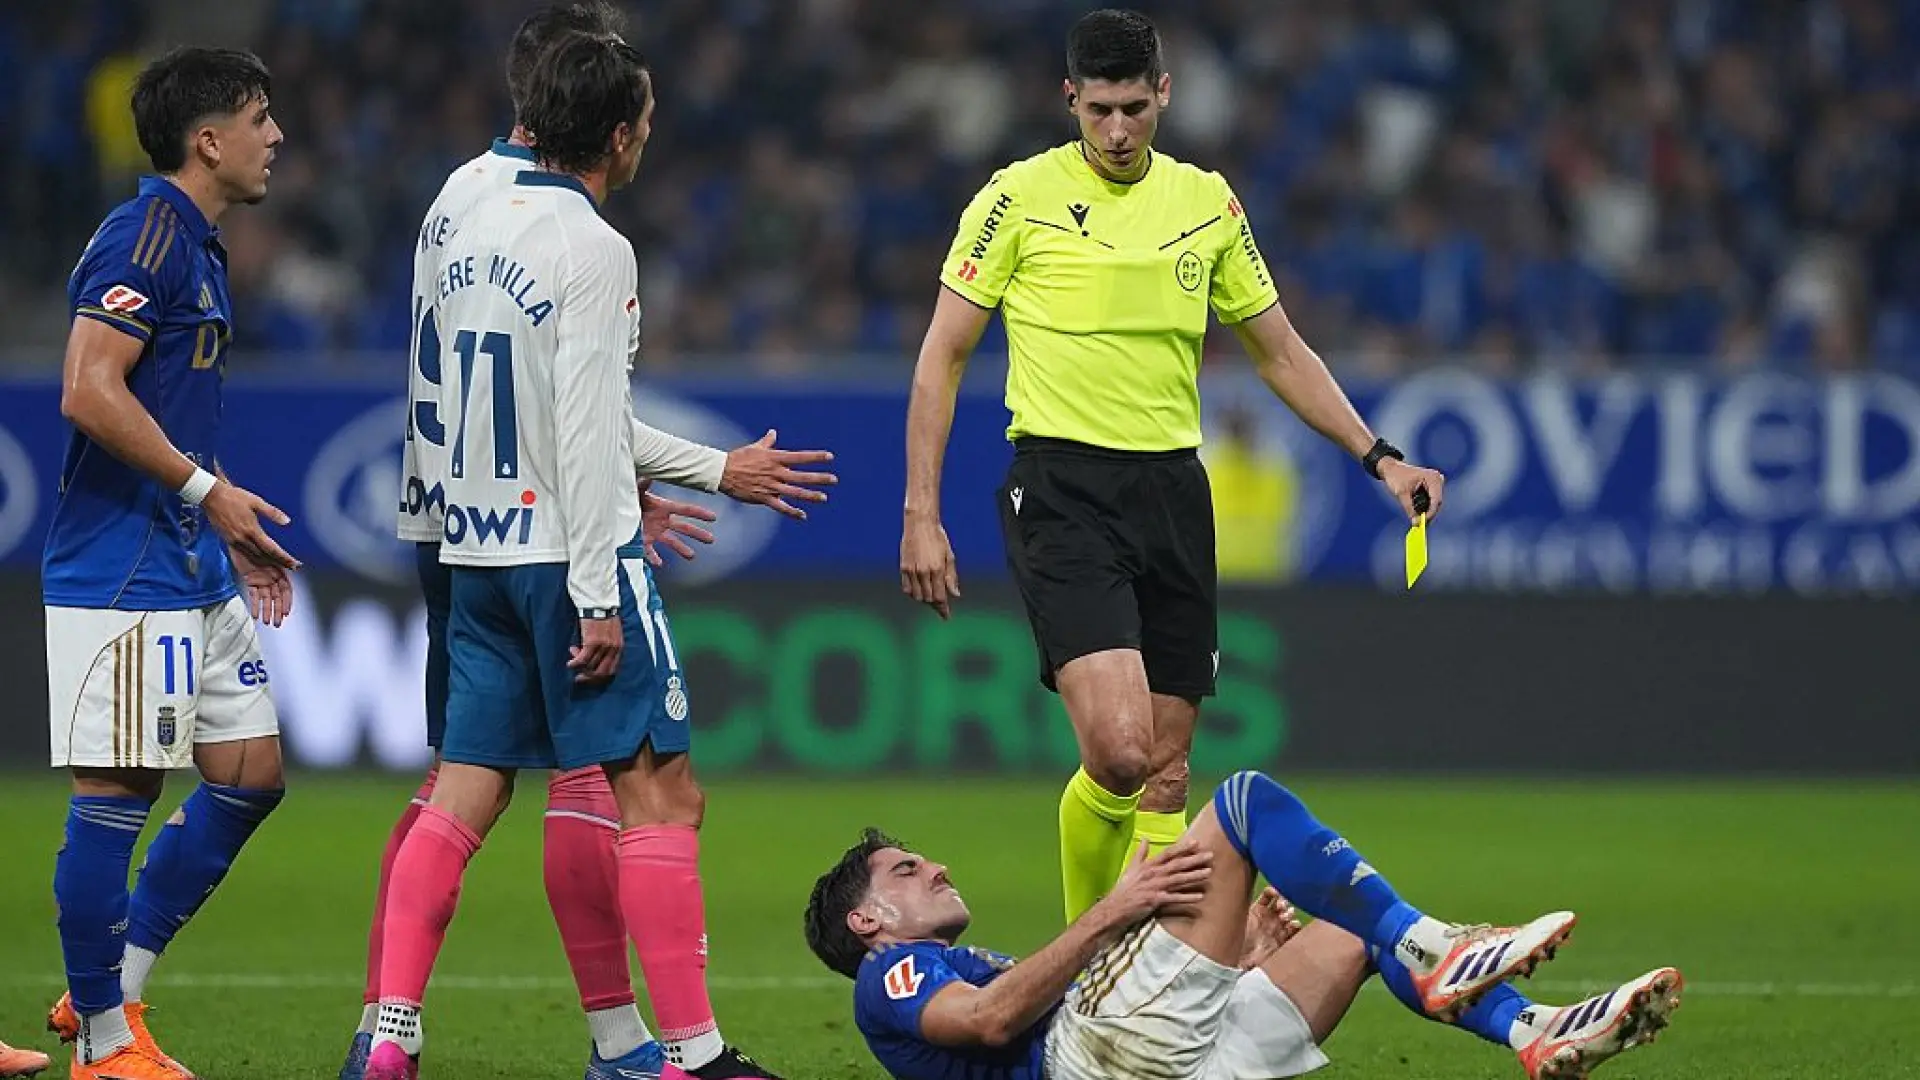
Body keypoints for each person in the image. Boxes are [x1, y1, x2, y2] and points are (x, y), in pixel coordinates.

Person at [342, 6, 834, 1079]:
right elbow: (578, 416)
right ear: (619, 137)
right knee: (661, 791)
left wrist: (705, 471)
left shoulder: (458, 205)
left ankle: (387, 1036)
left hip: (464, 541)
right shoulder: (595, 245)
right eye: (645, 117)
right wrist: (604, 581)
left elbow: (466, 385)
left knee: (464, 784)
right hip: (568, 550)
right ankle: (692, 1054)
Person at [897, 7, 1448, 924]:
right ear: (1070, 99)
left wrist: (1380, 458)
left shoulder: (1207, 202)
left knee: (1167, 773)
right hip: (1063, 486)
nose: (1116, 132)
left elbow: (1279, 352)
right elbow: (943, 354)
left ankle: (1141, 996)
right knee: (1118, 751)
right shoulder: (1014, 198)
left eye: (1134, 110)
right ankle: (1083, 957)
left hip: (1172, 491)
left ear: (1165, 96)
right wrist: (922, 511)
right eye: (1099, 110)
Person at [805, 770, 1684, 1080]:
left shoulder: (955, 960)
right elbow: (995, 1021)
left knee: (1346, 929)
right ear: (869, 917)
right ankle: (1440, 948)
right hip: (1092, 1068)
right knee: (1245, 802)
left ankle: (1534, 1032)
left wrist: (1241, 958)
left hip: (1162, 1062)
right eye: (909, 871)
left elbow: (1051, 1000)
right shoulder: (895, 973)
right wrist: (1117, 908)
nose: (938, 868)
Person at [41, 46, 295, 1080]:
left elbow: (166, 411)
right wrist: (208, 493)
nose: (275, 136)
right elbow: (88, 389)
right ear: (210, 140)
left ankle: (107, 987)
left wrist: (225, 519)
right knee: (118, 791)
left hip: (189, 559)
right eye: (261, 117)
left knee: (250, 776)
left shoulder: (196, 242)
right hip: (125, 565)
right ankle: (107, 1046)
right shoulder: (142, 235)